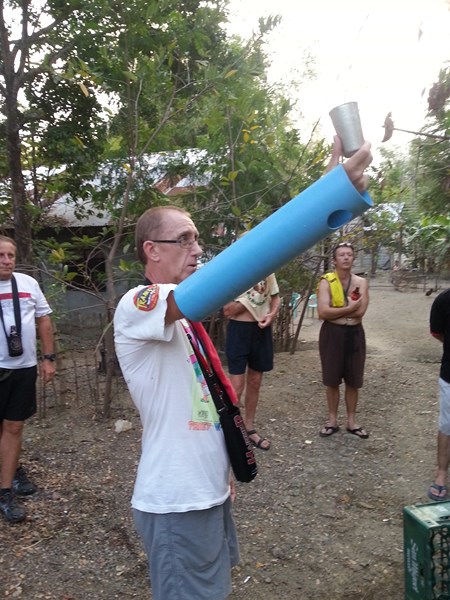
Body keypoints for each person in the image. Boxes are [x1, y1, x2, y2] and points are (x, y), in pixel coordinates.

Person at [113, 137, 372, 600]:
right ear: (151, 250)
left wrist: (223, 468)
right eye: (184, 239)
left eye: (197, 238)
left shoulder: (182, 320)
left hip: (204, 490)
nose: (197, 249)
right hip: (175, 500)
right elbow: (222, 279)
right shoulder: (140, 305)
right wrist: (325, 199)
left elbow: (205, 403)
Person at [0, 235, 56, 523]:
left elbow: (43, 319)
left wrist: (48, 358)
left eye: (10, 255)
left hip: (23, 366)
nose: (7, 261)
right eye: (1, 255)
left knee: (14, 425)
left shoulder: (28, 284)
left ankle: (5, 491)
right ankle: (11, 470)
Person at [317, 242, 370, 439]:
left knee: (353, 380)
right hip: (332, 334)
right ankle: (332, 420)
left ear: (353, 258)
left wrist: (338, 312)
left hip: (355, 333)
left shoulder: (361, 282)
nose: (346, 257)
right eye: (342, 255)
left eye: (349, 254)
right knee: (331, 379)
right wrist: (349, 309)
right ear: (334, 260)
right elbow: (323, 312)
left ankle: (351, 421)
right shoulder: (327, 282)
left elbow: (360, 312)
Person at [223, 274, 280, 450]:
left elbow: (275, 298)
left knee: (255, 382)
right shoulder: (234, 271)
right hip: (238, 331)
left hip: (260, 330)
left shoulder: (267, 270)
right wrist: (251, 299)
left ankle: (249, 428)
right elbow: (228, 310)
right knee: (236, 388)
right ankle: (231, 431)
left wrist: (271, 314)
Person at [428, 288, 450, 501]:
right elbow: (437, 332)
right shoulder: (443, 300)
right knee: (447, 425)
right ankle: (441, 473)